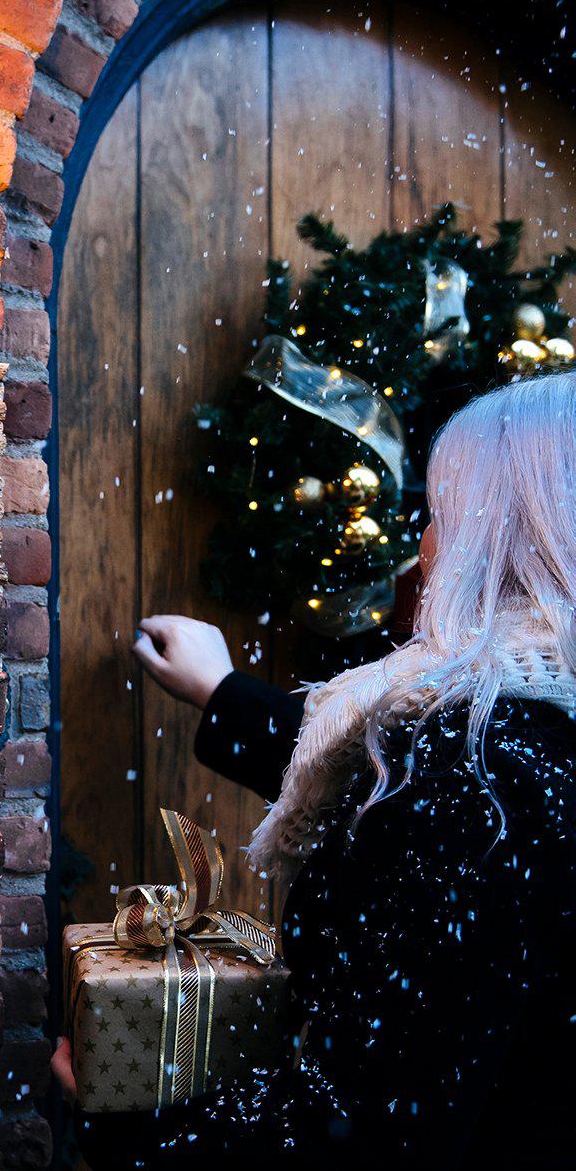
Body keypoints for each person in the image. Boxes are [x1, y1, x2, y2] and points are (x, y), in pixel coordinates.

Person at [52, 372, 576, 1166]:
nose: (422, 547)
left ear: (498, 540)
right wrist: (223, 693)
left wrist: (122, 1128)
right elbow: (383, 782)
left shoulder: (479, 779)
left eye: (438, 515)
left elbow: (363, 1129)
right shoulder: (521, 742)